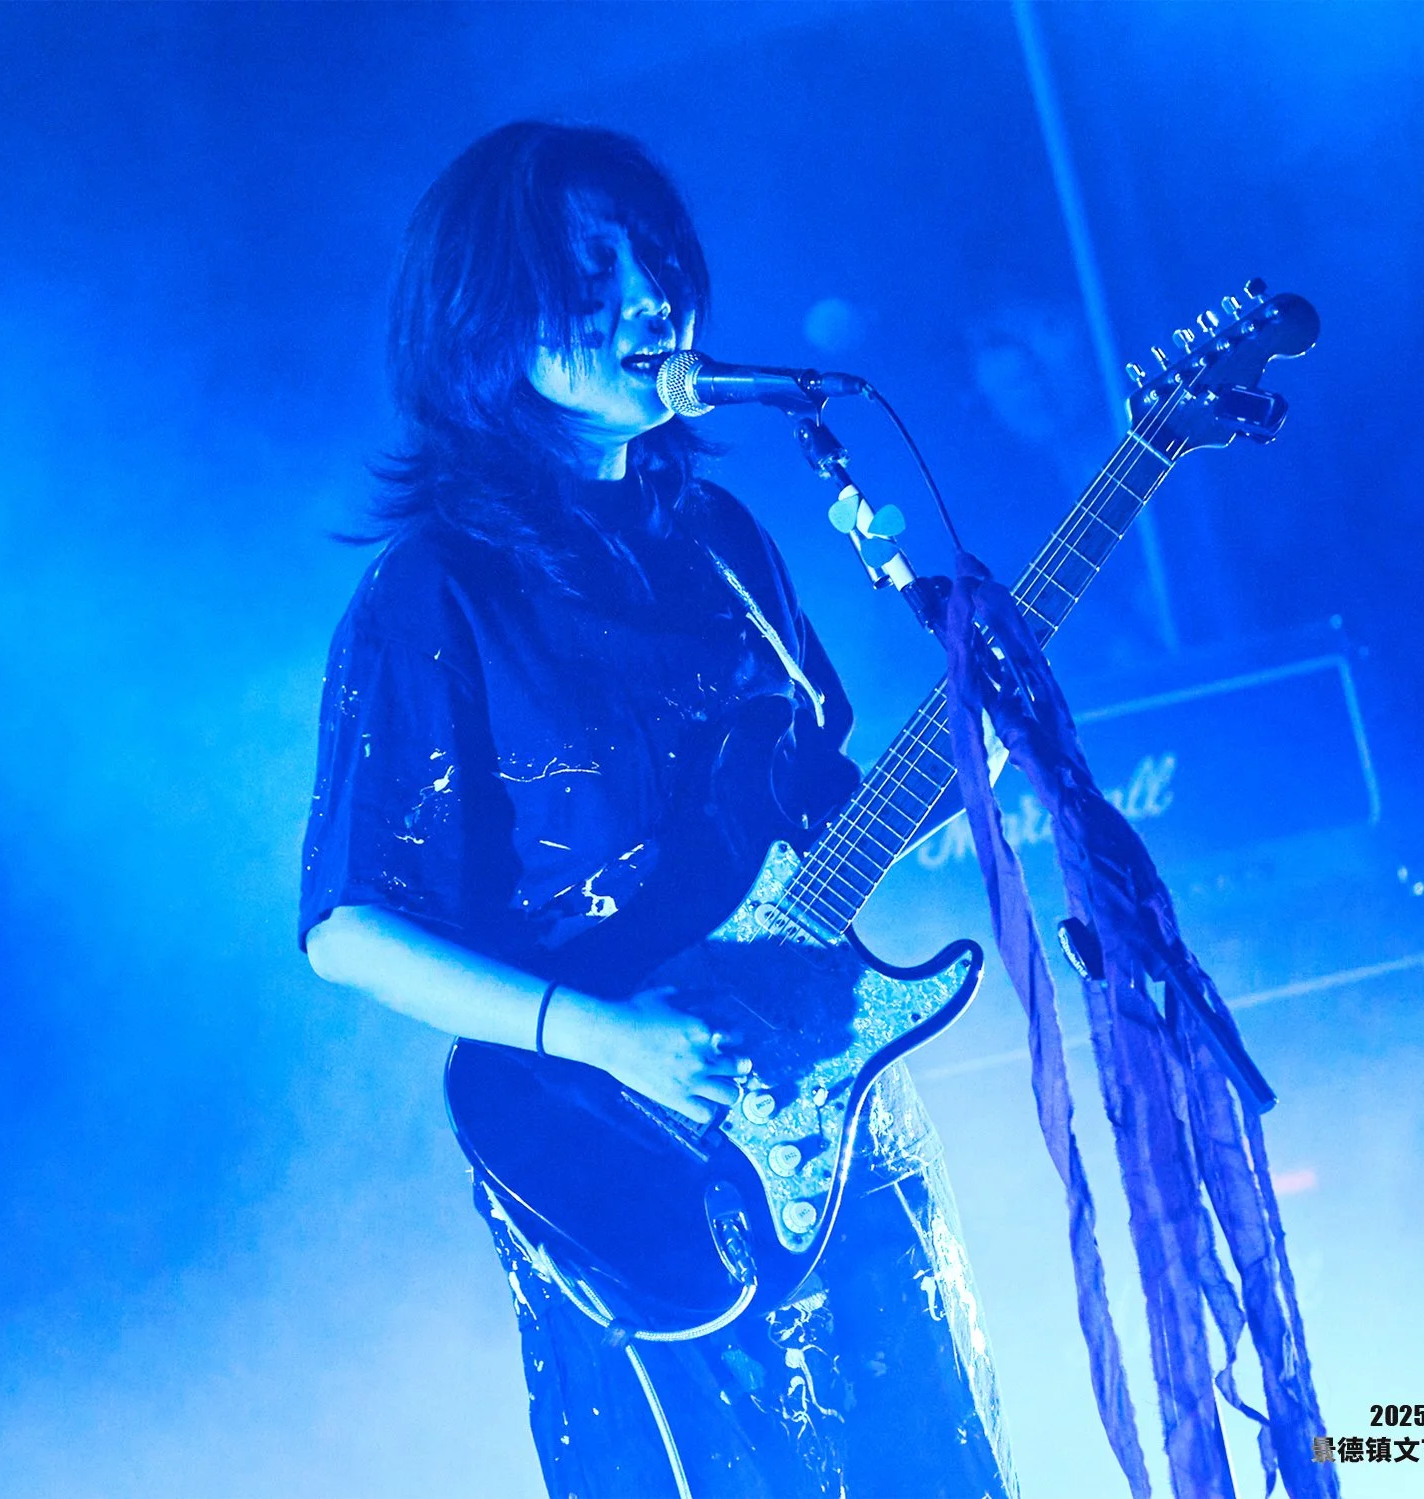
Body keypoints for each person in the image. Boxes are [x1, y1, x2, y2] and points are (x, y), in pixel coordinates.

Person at [299, 121, 1016, 1499]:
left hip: (843, 1117)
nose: (651, 301)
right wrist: (609, 1036)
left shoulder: (723, 542)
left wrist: (967, 752)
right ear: (484, 315)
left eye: (660, 261)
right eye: (593, 272)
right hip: (623, 1161)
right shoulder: (431, 594)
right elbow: (349, 927)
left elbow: (821, 828)